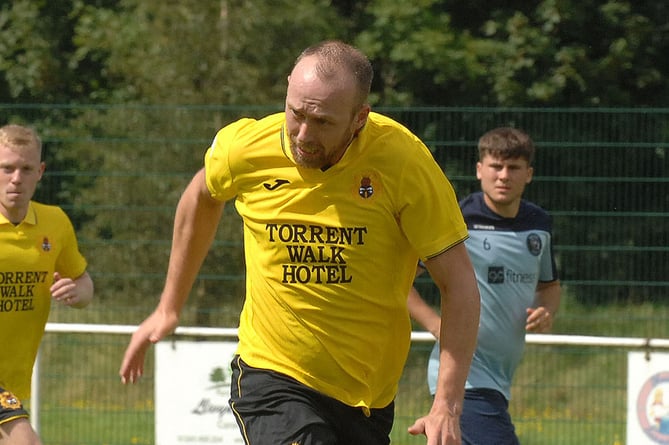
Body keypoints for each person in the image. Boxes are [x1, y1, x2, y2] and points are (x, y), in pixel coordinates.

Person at [119, 40, 480, 444]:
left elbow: (460, 285)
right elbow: (201, 196)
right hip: (271, 374)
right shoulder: (246, 148)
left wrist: (446, 405)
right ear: (288, 89)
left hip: (365, 399)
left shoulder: (404, 163)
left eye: (323, 122)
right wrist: (169, 306)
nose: (303, 135)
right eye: (296, 113)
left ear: (360, 117)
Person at [408, 126, 561, 445]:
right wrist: (434, 323)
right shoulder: (458, 219)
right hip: (464, 377)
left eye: (514, 168)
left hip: (499, 379)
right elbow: (402, 282)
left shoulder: (539, 224)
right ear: (480, 170)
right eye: (496, 166)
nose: (504, 176)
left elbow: (549, 285)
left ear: (528, 174)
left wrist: (547, 310)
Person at [0, 124, 94, 445]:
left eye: (26, 169)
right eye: (7, 168)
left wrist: (75, 291)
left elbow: (84, 284)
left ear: (40, 172)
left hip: (13, 381)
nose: (16, 178)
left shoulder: (55, 223)